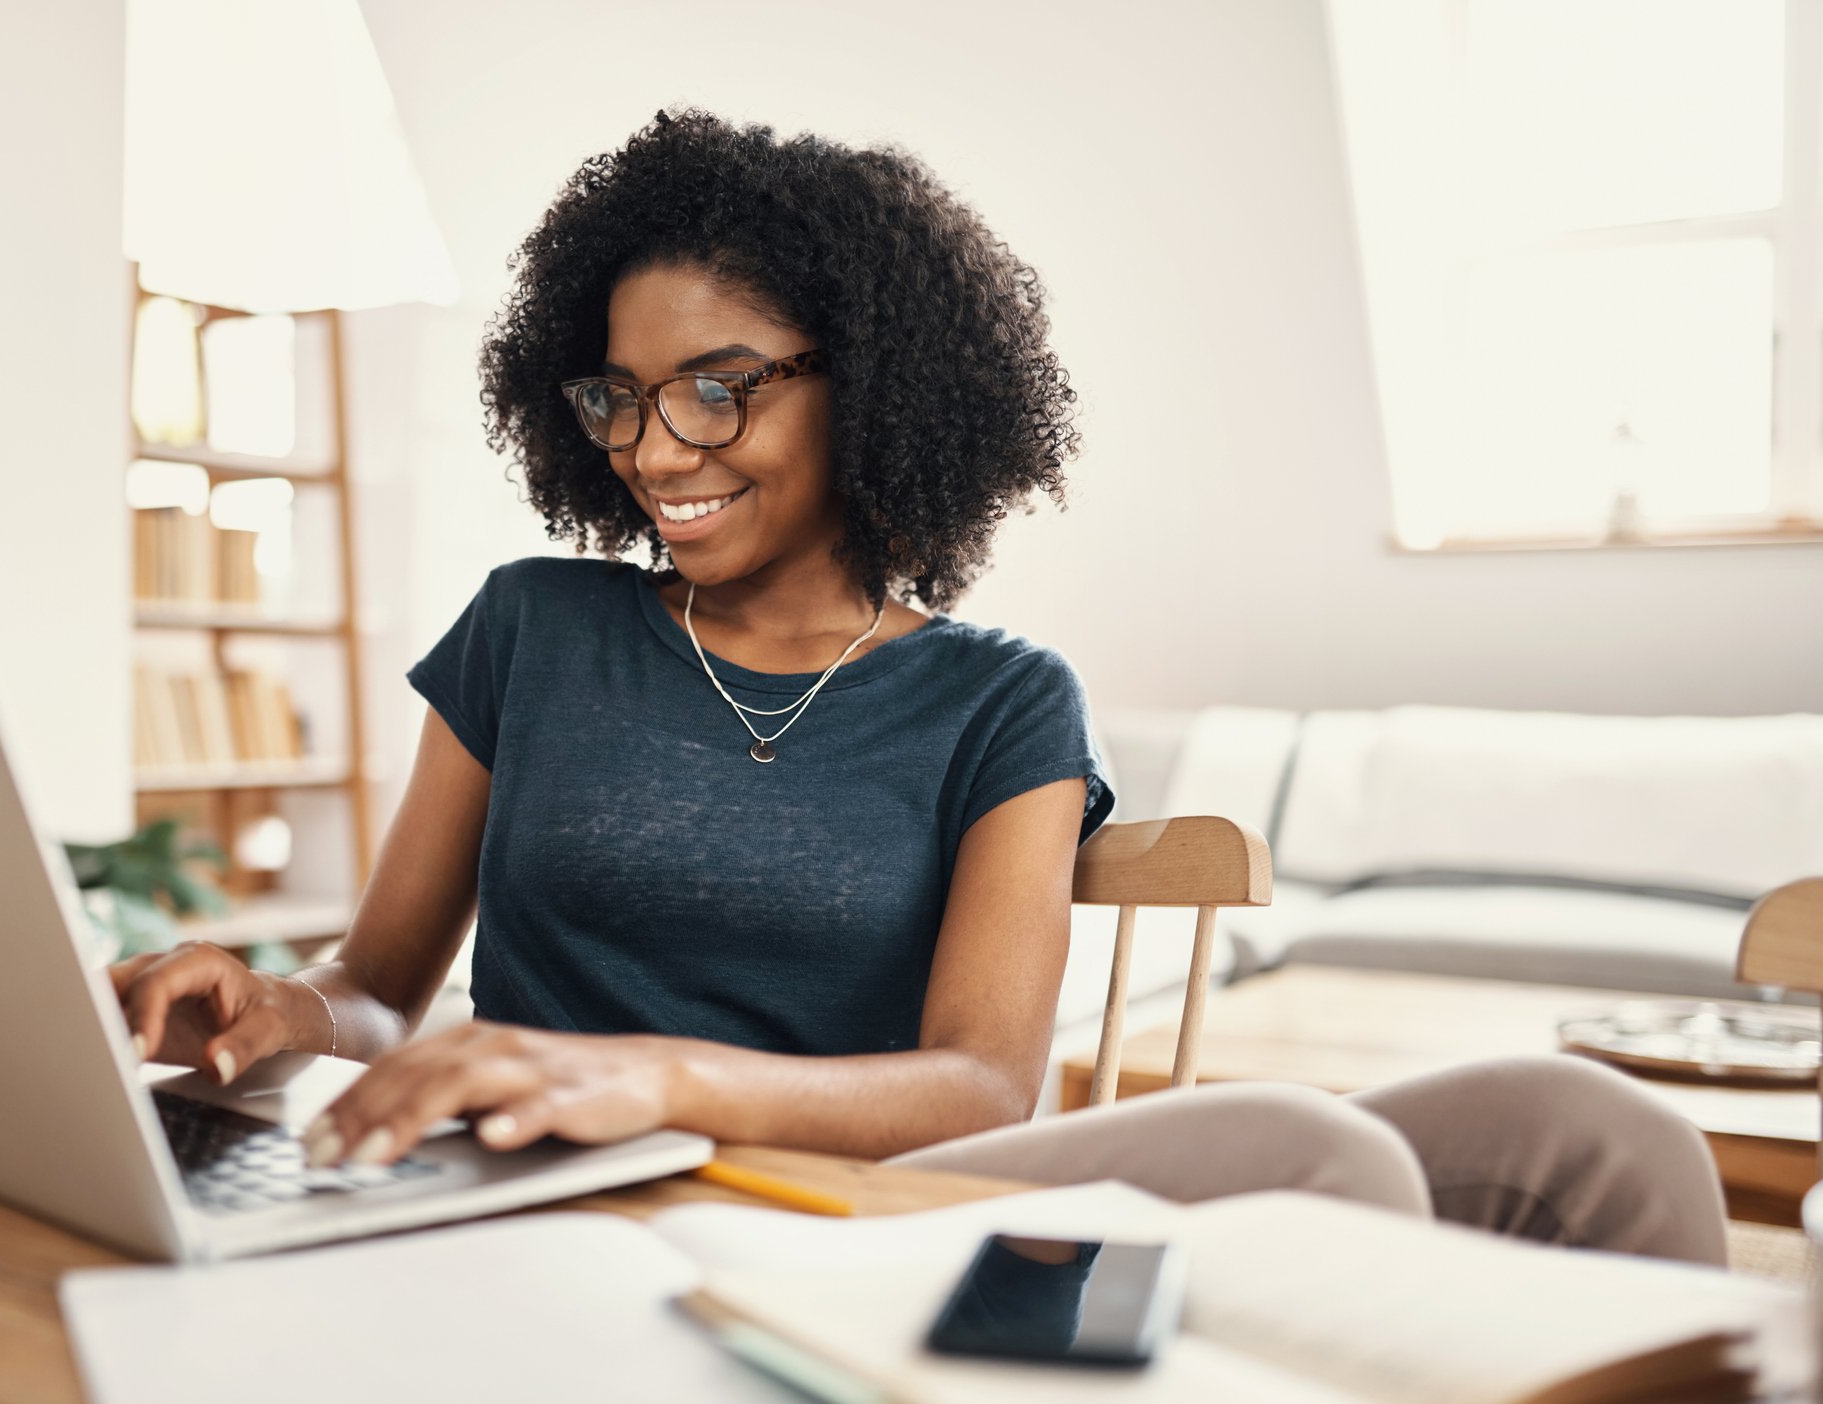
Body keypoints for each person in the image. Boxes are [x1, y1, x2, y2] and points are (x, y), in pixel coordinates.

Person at [111, 108, 1727, 1266]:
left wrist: (649, 1068)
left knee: (1600, 1134)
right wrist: (280, 1011)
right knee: (1322, 1155)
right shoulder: (532, 628)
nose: (657, 448)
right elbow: (384, 986)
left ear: (869, 386)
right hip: (610, 1221)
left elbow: (977, 1084)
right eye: (621, 395)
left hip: (872, 1189)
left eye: (719, 389)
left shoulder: (1001, 698)